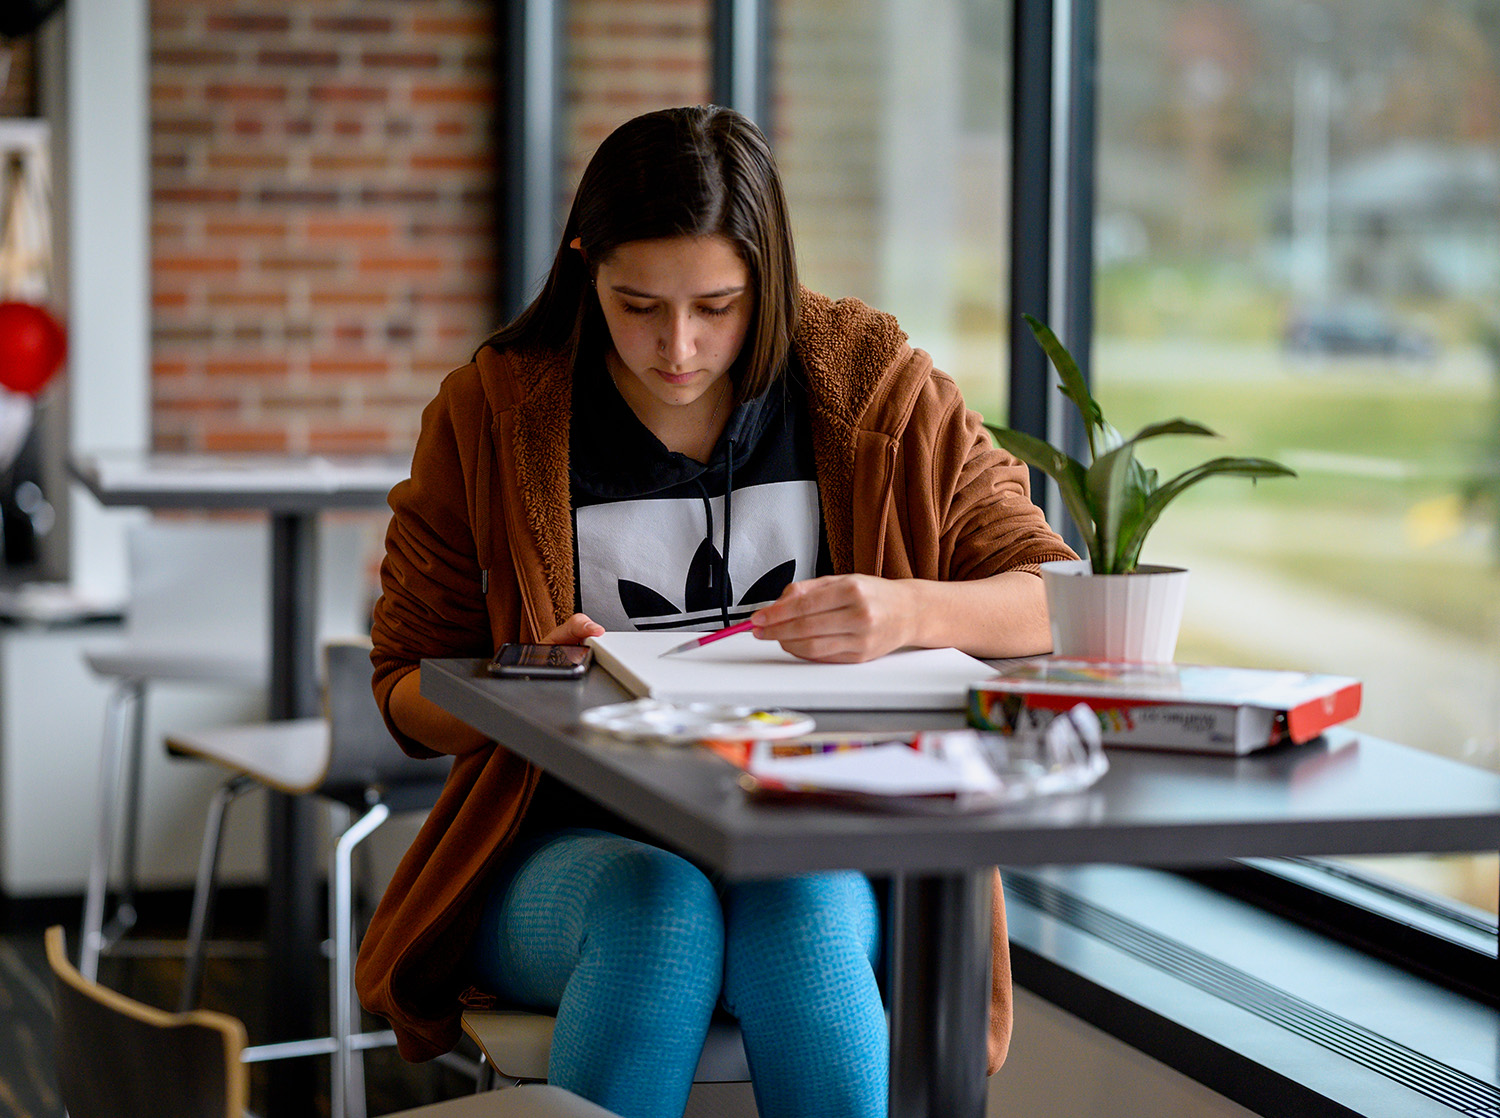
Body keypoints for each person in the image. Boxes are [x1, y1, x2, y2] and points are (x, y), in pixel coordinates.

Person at [356, 104, 1077, 1118]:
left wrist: (907, 610)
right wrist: (519, 682)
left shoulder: (873, 389)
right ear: (584, 265)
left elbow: (1056, 596)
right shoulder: (494, 415)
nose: (679, 345)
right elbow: (401, 686)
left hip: (811, 835)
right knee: (661, 914)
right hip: (563, 855)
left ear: (769, 280)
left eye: (719, 306)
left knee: (805, 912)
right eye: (636, 303)